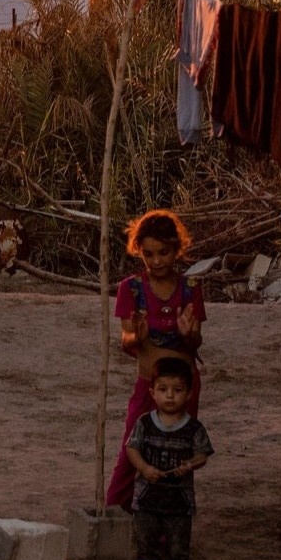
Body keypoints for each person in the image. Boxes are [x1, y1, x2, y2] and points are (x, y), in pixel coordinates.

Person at [107, 209, 204, 510]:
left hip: (183, 386)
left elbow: (195, 341)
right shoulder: (131, 289)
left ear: (177, 249)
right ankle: (115, 514)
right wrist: (139, 335)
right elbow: (126, 343)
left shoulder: (190, 289)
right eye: (148, 254)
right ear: (139, 252)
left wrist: (188, 333)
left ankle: (169, 522)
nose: (157, 260)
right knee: (132, 450)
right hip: (150, 385)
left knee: (176, 453)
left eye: (164, 252)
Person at [125, 357, 214, 560]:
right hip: (147, 494)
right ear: (153, 393)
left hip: (179, 496)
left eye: (177, 390)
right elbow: (132, 448)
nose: (170, 396)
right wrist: (144, 468)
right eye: (163, 389)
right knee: (146, 530)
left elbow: (202, 454)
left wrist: (191, 464)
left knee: (179, 533)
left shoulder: (194, 428)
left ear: (189, 394)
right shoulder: (144, 423)